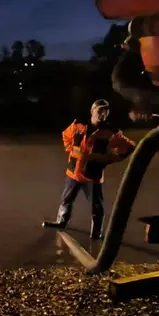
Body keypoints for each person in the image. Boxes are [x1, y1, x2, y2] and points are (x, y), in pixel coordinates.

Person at [42, 100, 136, 239]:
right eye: (100, 110)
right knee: (66, 200)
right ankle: (61, 222)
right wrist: (71, 151)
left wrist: (109, 158)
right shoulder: (78, 125)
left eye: (106, 111)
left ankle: (96, 233)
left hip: (93, 176)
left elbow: (129, 147)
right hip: (74, 173)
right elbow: (66, 136)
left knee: (97, 206)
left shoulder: (111, 132)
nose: (103, 114)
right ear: (92, 111)